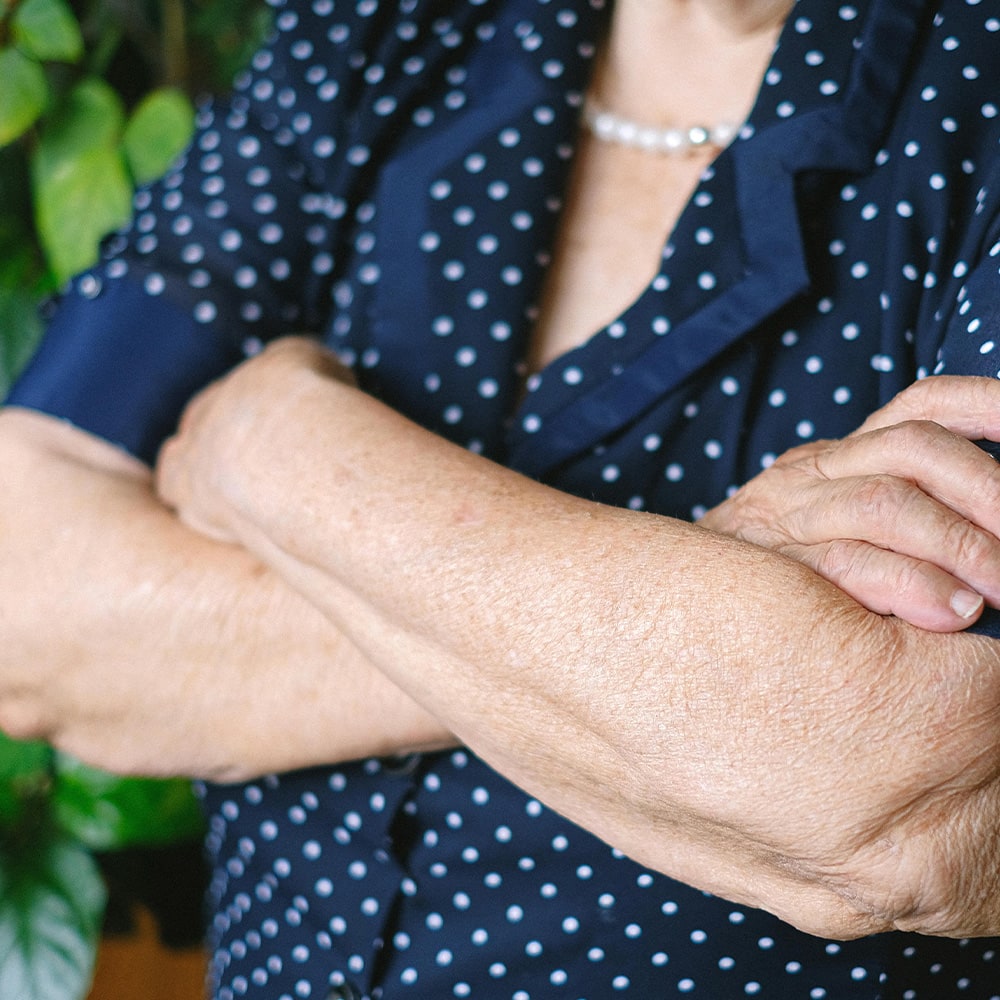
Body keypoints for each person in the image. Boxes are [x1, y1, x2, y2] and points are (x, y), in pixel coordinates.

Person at [4, 0, 1000, 996]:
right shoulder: (384, 33)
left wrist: (276, 451)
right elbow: (27, 592)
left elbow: (903, 789)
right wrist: (689, 591)